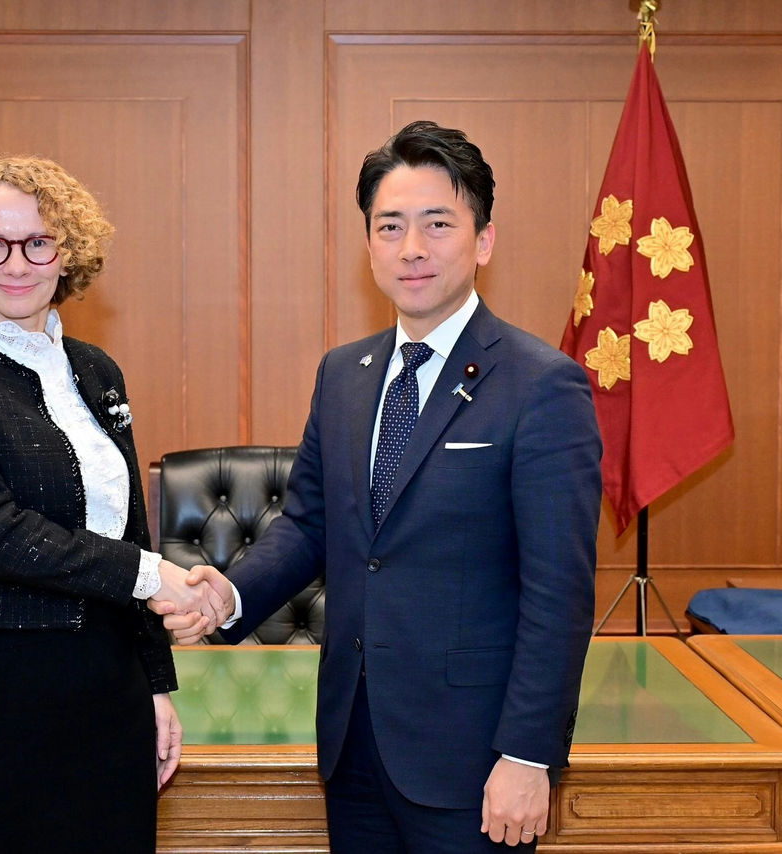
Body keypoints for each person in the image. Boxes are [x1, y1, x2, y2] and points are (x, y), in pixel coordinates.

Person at [152, 121, 602, 852]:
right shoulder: (344, 374)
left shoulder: (542, 385)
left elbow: (560, 590)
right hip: (353, 742)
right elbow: (309, 525)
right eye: (390, 227)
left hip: (473, 756)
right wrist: (227, 595)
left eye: (437, 224)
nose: (411, 248)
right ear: (369, 245)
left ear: (483, 241)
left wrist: (528, 753)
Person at [0, 155, 222, 853]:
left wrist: (155, 687)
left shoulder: (98, 371)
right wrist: (150, 573)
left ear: (65, 252)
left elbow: (128, 522)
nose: (17, 263)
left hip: (108, 683)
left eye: (38, 242)